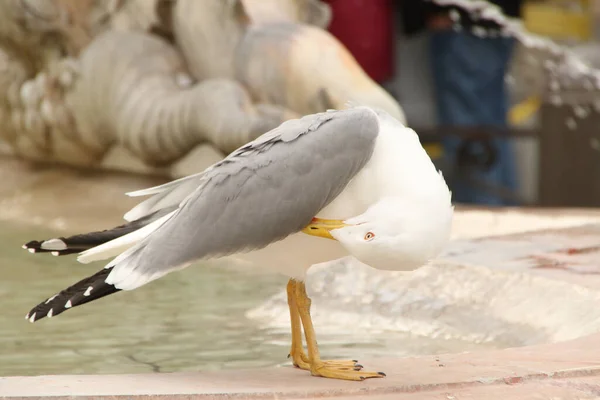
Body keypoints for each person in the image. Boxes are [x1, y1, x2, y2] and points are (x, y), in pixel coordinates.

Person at [402, 0, 522, 205]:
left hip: (460, 19)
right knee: (491, 128)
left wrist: (427, 10)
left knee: (470, 136)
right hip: (495, 17)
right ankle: (504, 212)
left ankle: (485, 220)